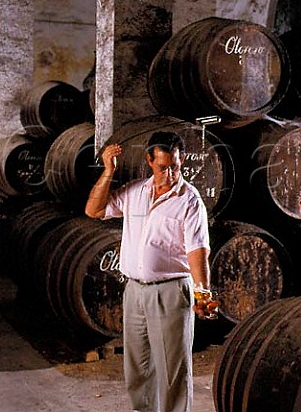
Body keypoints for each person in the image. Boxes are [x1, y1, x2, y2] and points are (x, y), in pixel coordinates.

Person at [85, 130, 218, 412]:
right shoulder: (134, 192)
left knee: (172, 371)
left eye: (175, 167)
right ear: (149, 161)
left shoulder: (189, 200)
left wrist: (203, 293)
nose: (169, 174)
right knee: (138, 368)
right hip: (134, 292)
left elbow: (197, 250)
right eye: (163, 167)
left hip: (170, 292)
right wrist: (108, 172)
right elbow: (93, 210)